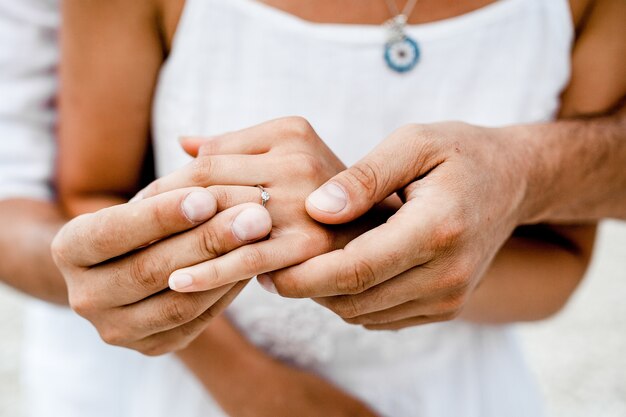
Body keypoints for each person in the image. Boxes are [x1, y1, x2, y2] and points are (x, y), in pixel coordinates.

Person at [49, 0, 622, 415]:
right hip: (200, 384)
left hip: (452, 390)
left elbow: (561, 263)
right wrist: (258, 389)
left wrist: (370, 240)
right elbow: (92, 194)